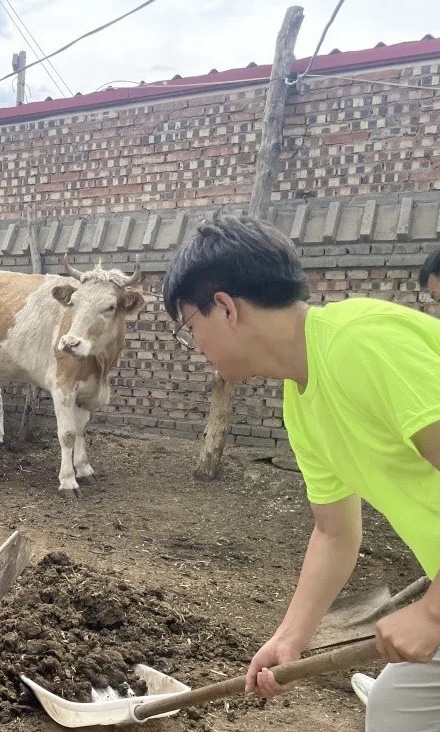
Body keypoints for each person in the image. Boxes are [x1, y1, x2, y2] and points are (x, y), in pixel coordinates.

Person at [162, 212, 440, 732]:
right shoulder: (302, 398)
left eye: (191, 326)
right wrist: (291, 636)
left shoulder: (361, 343)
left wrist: (430, 614)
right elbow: (334, 531)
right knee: (399, 711)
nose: (195, 346)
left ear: (224, 307)